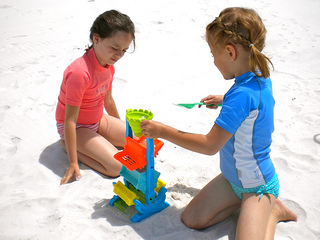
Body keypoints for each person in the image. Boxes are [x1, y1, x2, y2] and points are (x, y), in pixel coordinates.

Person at [140, 7, 297, 239]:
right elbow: (254, 103)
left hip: (258, 187)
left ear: (230, 52)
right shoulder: (257, 74)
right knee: (191, 219)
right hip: (233, 180)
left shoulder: (242, 95)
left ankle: (272, 210)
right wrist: (225, 100)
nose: (214, 61)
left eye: (214, 54)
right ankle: (248, 209)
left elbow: (209, 145)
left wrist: (163, 131)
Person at [56, 10, 135, 185]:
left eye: (124, 50)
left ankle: (98, 142)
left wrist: (123, 135)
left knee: (137, 140)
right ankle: (70, 146)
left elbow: (107, 100)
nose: (119, 55)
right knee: (117, 168)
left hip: (97, 120)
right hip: (75, 127)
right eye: (115, 48)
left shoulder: (109, 66)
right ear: (96, 39)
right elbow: (69, 120)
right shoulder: (79, 72)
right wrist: (72, 162)